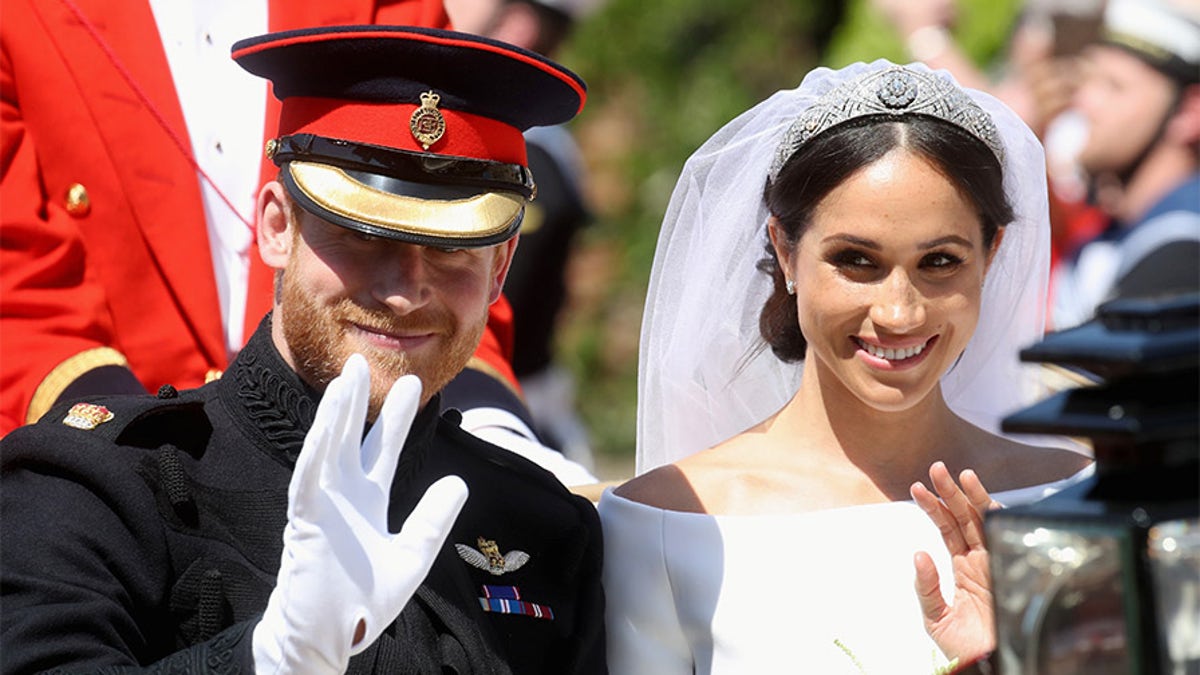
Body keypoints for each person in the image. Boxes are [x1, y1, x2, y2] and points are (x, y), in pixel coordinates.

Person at [0, 25, 605, 674]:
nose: (405, 290)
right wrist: (271, 660)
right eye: (362, 236)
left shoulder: (542, 524)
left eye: (451, 249)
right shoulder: (88, 488)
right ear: (276, 227)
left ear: (500, 267)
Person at [597, 61, 1093, 674]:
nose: (899, 311)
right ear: (786, 251)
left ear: (990, 255)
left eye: (939, 261)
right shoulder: (666, 522)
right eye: (856, 260)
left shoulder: (1073, 504)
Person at [0, 0, 528, 454]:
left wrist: (495, 435)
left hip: (352, 454)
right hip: (86, 450)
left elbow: (444, 231)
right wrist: (131, 454)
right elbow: (17, 285)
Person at [445, 0, 602, 469]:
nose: (524, 32)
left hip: (519, 401)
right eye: (508, 11)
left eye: (545, 25)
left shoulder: (547, 155)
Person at [1050, 0, 1200, 330]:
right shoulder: (1118, 231)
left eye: (1114, 86)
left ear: (1190, 112)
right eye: (1088, 82)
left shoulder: (1182, 251)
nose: (1084, 102)